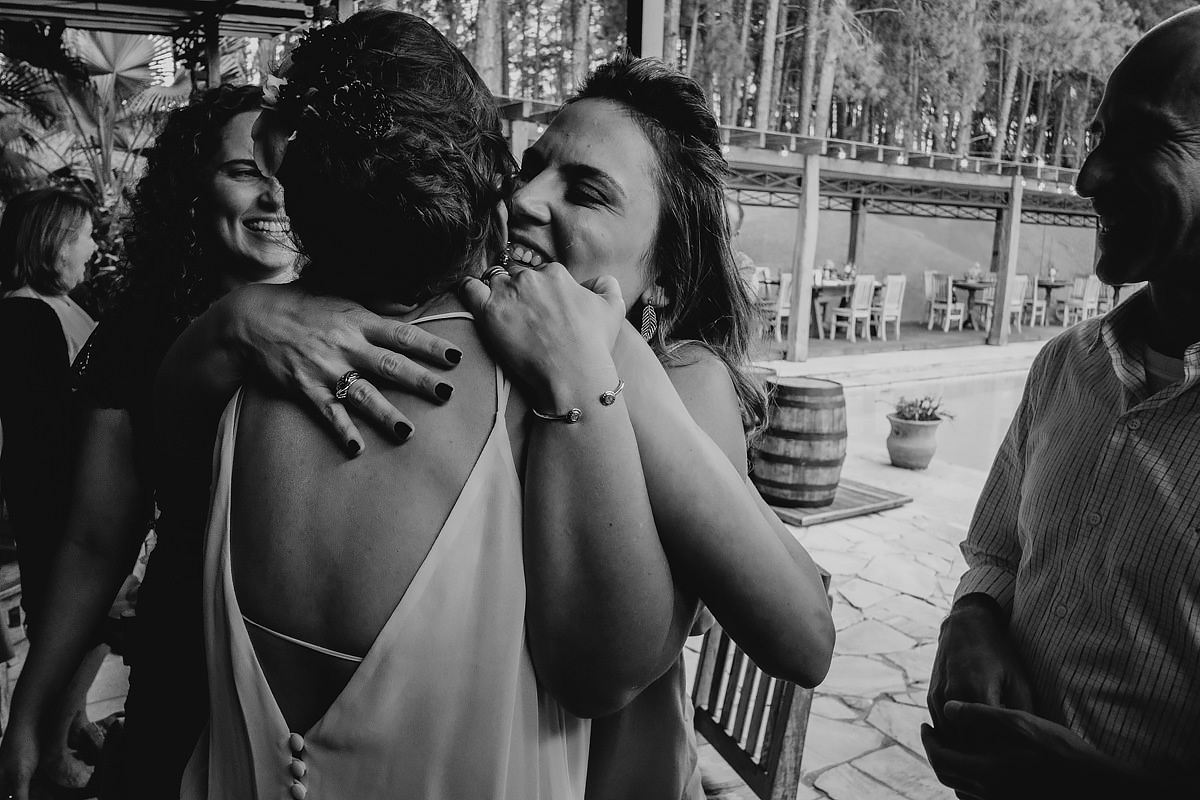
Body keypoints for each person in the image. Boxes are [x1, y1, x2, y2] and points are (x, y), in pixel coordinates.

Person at [156, 15, 831, 799]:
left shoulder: (682, 380)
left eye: (586, 192)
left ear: (664, 277)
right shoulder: (474, 338)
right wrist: (237, 320)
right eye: (530, 166)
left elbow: (787, 640)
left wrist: (599, 369)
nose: (527, 197)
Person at [0, 85, 457, 800]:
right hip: (188, 656)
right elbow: (95, 541)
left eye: (292, 175)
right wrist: (31, 713)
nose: (276, 196)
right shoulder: (139, 332)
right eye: (245, 172)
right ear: (192, 190)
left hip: (350, 679)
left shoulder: (380, 312)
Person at [922, 9, 1200, 798]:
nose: (1087, 177)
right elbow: (997, 552)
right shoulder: (1062, 368)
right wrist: (971, 620)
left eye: (1142, 137)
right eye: (1097, 135)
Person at [0, 188, 104, 792]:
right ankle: (48, 752)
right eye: (85, 234)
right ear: (54, 242)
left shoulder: (54, 305)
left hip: (71, 495)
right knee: (71, 621)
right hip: (58, 501)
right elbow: (44, 429)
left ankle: (71, 722)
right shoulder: (25, 315)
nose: (93, 246)